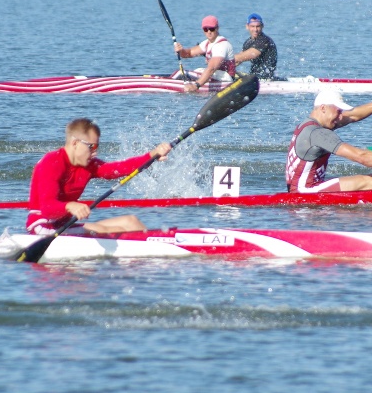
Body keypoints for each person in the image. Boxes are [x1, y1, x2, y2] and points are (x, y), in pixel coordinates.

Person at [27, 118, 172, 235]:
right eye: (91, 147)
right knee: (109, 230)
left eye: (97, 147)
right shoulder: (52, 162)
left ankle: (155, 245)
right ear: (75, 143)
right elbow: (48, 208)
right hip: (42, 226)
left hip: (63, 225)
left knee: (131, 221)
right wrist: (70, 206)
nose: (95, 152)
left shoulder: (88, 165)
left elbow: (117, 168)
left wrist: (151, 155)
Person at [286, 87, 372, 192]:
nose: (340, 117)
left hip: (308, 188)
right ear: (323, 108)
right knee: (370, 181)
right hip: (304, 192)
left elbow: (353, 115)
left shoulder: (308, 125)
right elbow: (362, 157)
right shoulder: (319, 133)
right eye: (338, 111)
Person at [176, 15, 236, 92]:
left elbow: (211, 68)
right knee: (192, 71)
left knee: (181, 73)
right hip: (217, 75)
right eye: (206, 29)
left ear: (217, 28)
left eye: (212, 29)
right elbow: (189, 53)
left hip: (226, 79)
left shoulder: (221, 45)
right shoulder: (207, 43)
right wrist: (181, 51)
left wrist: (196, 85)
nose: (209, 32)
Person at [234, 13, 278, 80]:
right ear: (247, 27)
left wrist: (223, 59)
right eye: (252, 26)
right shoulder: (248, 42)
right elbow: (237, 61)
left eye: (258, 26)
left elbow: (251, 54)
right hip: (255, 77)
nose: (255, 29)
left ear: (262, 26)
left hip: (267, 78)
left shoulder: (264, 40)